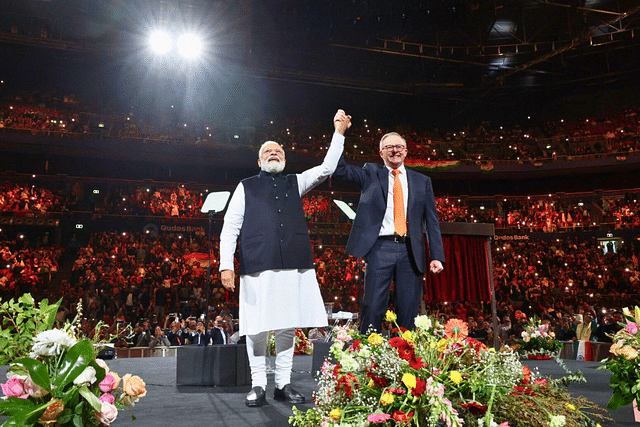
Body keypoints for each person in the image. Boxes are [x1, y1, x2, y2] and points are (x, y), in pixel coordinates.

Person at [219, 109, 351, 407]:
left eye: (278, 151)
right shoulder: (246, 186)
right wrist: (226, 264)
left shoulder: (296, 181)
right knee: (257, 327)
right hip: (257, 265)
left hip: (294, 264)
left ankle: (282, 384)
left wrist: (339, 133)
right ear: (259, 161)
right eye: (268, 151)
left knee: (287, 325)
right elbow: (230, 227)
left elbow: (327, 168)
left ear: (285, 159)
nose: (274, 153)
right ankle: (257, 385)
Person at [333, 132, 444, 333]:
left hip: (411, 251)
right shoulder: (370, 173)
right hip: (379, 248)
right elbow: (339, 170)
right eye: (389, 147)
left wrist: (437, 255)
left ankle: (407, 359)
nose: (395, 150)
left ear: (406, 152)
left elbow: (432, 221)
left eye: (399, 147)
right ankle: (368, 354)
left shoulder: (422, 181)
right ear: (381, 153)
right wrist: (339, 133)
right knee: (373, 306)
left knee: (409, 310)